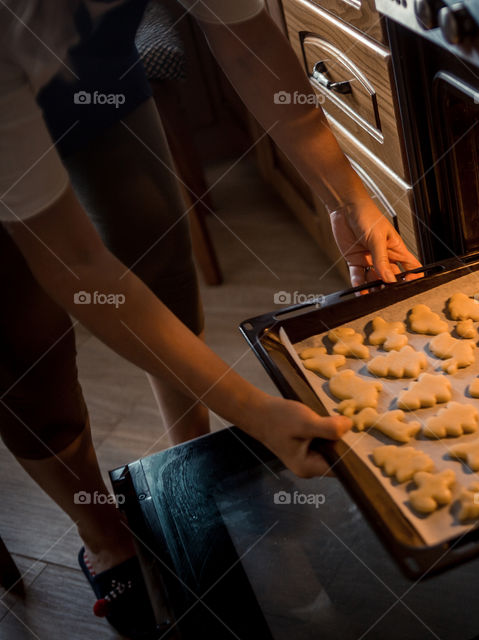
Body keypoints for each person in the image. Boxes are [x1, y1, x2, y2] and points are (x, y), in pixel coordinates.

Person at [1, 0, 420, 636]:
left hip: (95, 74)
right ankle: (108, 538)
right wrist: (254, 412)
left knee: (161, 264)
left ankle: (189, 477)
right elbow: (79, 266)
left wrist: (349, 197)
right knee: (28, 352)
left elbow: (252, 46)